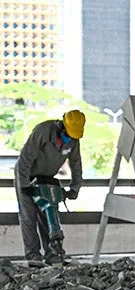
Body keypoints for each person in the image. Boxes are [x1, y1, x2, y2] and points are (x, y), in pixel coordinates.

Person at [14, 110, 86, 266]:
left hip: (47, 178)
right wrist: (25, 186)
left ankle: (53, 254)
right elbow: (23, 161)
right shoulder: (43, 132)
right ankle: (33, 256)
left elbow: (76, 165)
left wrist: (75, 188)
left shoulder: (73, 140)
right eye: (67, 135)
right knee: (29, 217)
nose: (70, 139)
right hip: (27, 175)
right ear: (61, 126)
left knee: (49, 215)